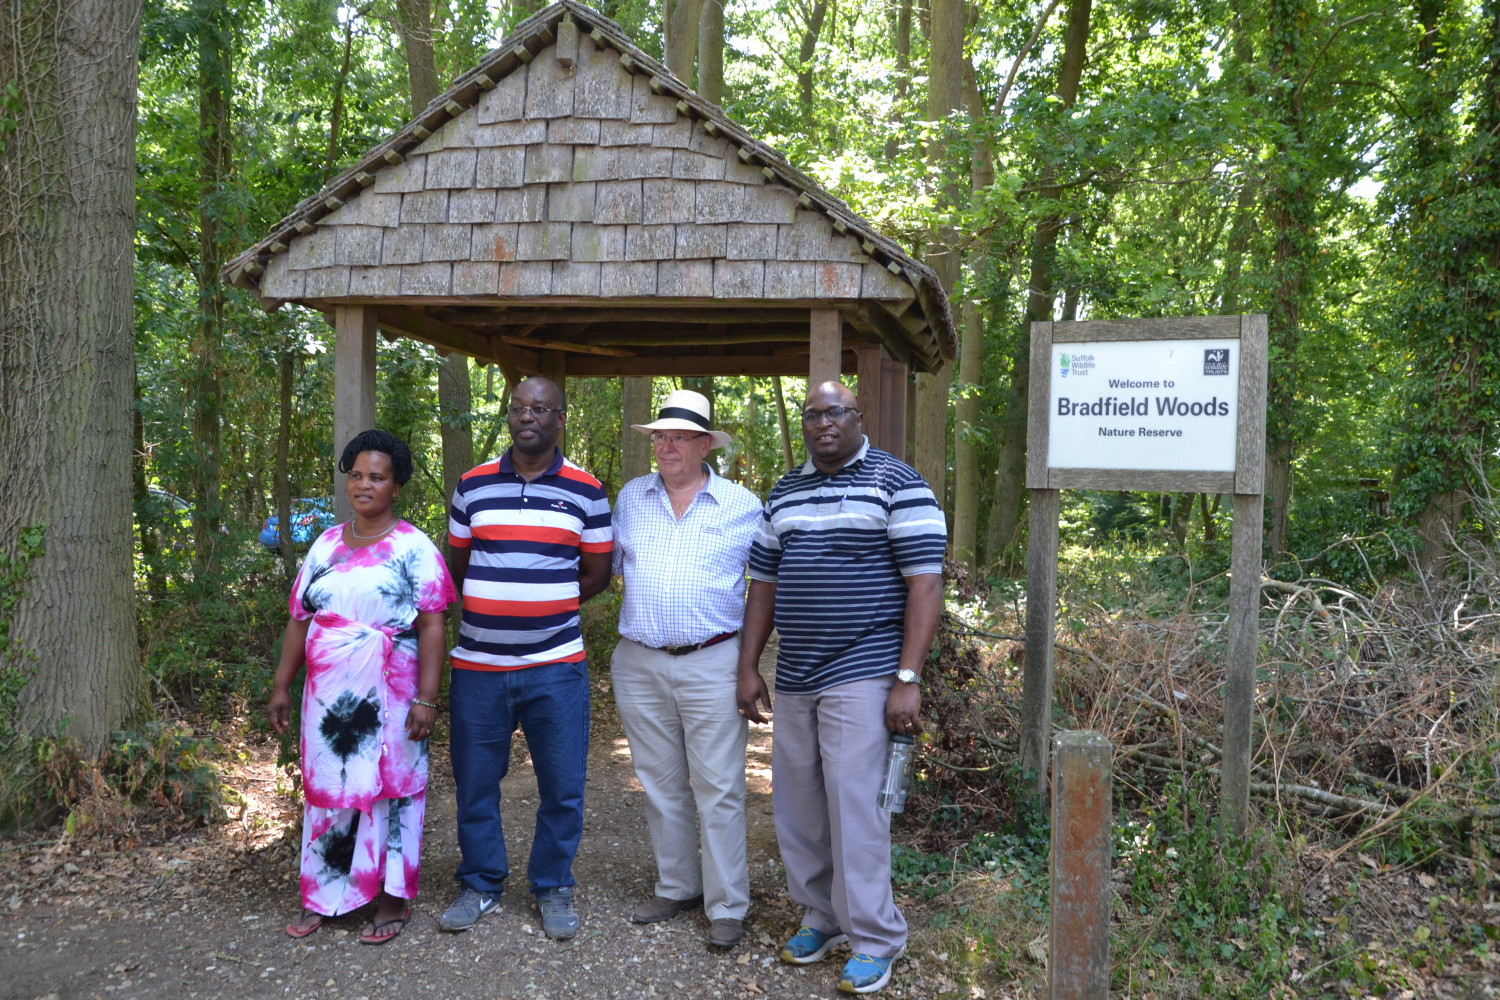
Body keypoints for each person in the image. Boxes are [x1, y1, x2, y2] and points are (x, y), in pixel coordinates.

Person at [736, 380, 945, 994]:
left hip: (865, 668)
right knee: (799, 807)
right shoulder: (785, 490)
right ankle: (822, 917)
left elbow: (925, 584)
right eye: (813, 415)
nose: (824, 423)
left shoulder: (897, 483)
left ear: (858, 417)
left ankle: (876, 938)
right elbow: (764, 584)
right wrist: (749, 667)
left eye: (836, 412)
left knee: (855, 810)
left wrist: (907, 678)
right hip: (796, 670)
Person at [439, 377, 612, 941]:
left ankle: (553, 886)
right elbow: (457, 568)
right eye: (517, 408)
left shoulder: (587, 491)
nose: (526, 417)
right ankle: (482, 883)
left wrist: (545, 603)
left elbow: (596, 575)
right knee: (475, 782)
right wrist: (501, 603)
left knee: (562, 785)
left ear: (561, 417)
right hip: (478, 668)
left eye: (539, 408)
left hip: (556, 666)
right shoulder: (472, 485)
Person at [269, 429, 456, 945]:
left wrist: (427, 698)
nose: (364, 485)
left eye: (377, 477)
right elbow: (298, 619)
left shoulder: (414, 548)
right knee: (330, 792)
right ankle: (324, 894)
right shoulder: (325, 544)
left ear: (396, 487)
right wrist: (283, 685)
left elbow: (433, 625)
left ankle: (391, 897)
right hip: (328, 697)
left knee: (391, 788)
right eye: (356, 475)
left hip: (393, 689)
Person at [610, 389, 764, 948]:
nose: (666, 445)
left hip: (714, 660)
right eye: (659, 436)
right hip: (639, 661)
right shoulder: (630, 498)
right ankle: (677, 886)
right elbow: (606, 570)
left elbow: (766, 588)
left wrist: (750, 665)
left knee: (719, 787)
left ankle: (727, 904)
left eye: (678, 436)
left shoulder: (744, 505)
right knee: (659, 783)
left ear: (704, 443)